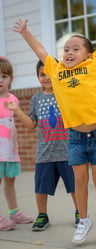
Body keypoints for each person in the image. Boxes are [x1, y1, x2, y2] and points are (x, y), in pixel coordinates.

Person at [12, 0, 96, 243]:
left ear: (88, 53)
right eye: (66, 49)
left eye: (75, 49)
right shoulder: (57, 69)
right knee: (80, 182)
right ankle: (84, 220)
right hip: (74, 137)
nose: (69, 53)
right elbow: (41, 52)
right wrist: (25, 32)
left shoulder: (94, 64)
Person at [5, 60, 79, 231]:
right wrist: (17, 110)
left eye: (50, 73)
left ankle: (80, 212)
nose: (46, 77)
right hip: (44, 153)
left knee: (75, 185)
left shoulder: (66, 94)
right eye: (42, 74)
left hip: (67, 151)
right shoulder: (36, 99)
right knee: (40, 187)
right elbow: (31, 124)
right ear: (38, 77)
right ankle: (42, 215)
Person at [0, 57, 33, 231]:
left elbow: (12, 123)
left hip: (10, 148)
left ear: (11, 79)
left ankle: (14, 212)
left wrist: (17, 144)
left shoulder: (13, 99)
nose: (0, 80)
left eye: (4, 76)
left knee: (10, 181)